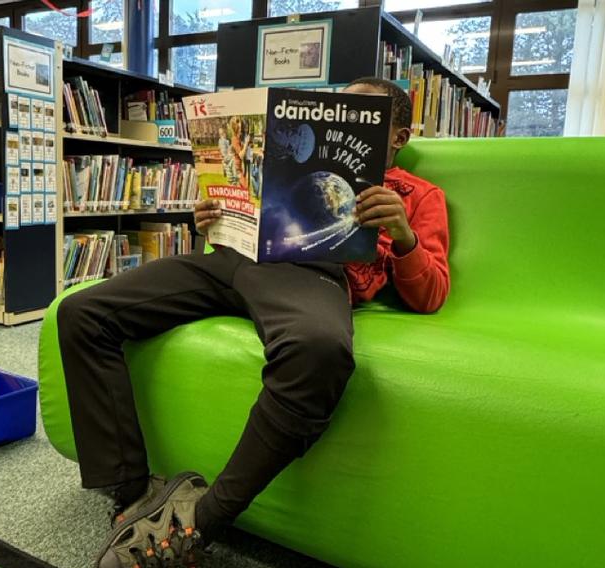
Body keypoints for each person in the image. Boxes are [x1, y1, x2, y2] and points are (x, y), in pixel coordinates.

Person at [56, 76, 451, 567]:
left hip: (310, 272)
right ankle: (135, 494)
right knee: (82, 312)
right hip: (234, 258)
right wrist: (210, 218)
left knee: (320, 349)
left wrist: (403, 233)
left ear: (398, 136)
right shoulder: (297, 165)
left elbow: (431, 293)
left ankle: (204, 520)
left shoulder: (418, 195)